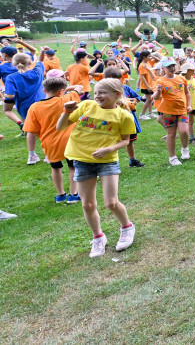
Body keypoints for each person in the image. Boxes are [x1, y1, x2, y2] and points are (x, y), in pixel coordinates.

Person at [57, 78, 136, 258]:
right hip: (81, 160)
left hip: (107, 161)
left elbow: (125, 140)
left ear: (117, 94)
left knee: (111, 202)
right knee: (87, 204)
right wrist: (66, 112)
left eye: (103, 93)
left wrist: (109, 149)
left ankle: (127, 227)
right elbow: (60, 127)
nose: (98, 96)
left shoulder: (124, 115)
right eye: (96, 92)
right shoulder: (86, 106)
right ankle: (98, 237)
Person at [24, 74, 84, 202]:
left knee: (56, 168)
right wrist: (66, 89)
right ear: (61, 91)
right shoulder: (67, 98)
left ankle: (60, 195)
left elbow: (32, 130)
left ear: (44, 90)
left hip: (49, 142)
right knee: (73, 167)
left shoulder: (34, 107)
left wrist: (43, 137)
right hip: (69, 140)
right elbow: (79, 87)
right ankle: (74, 194)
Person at [151, 58, 191, 166]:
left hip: (182, 109)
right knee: (171, 133)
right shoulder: (160, 81)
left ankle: (185, 149)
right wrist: (158, 91)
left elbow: (187, 93)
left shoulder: (181, 79)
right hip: (167, 111)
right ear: (163, 68)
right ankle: (172, 157)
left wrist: (189, 105)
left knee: (184, 131)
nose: (172, 68)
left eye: (173, 65)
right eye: (169, 66)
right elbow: (155, 97)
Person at [103, 67, 146, 166]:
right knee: (112, 141)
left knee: (129, 141)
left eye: (118, 79)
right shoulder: (104, 91)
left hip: (127, 120)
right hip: (113, 120)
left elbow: (137, 98)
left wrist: (132, 102)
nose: (116, 82)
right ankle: (111, 161)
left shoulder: (125, 88)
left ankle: (132, 159)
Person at [3, 54, 45, 142]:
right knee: (44, 124)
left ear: (14, 64)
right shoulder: (37, 72)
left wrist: (5, 94)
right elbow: (40, 61)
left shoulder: (11, 77)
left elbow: (10, 95)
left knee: (7, 110)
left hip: (24, 106)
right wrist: (42, 51)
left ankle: (22, 125)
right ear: (30, 62)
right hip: (41, 103)